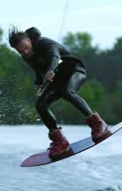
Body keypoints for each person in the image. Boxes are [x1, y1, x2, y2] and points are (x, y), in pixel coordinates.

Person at [9, 26, 110, 159]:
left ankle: (98, 124)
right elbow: (38, 70)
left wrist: (50, 70)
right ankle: (60, 141)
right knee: (40, 104)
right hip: (56, 80)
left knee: (66, 92)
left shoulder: (44, 43)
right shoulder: (27, 56)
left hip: (74, 70)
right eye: (21, 52)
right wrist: (40, 83)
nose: (25, 53)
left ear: (29, 40)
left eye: (26, 48)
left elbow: (55, 57)